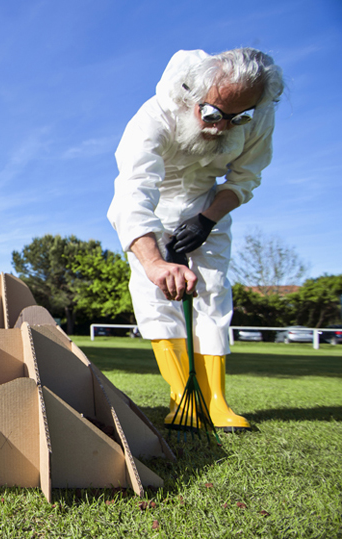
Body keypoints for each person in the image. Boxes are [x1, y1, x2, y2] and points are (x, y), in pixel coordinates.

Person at [107, 48, 284, 432]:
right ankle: (181, 397)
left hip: (208, 205)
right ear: (192, 95)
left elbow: (245, 179)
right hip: (155, 211)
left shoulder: (260, 115)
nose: (222, 128)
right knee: (155, 298)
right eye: (214, 114)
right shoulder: (153, 117)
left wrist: (206, 220)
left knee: (214, 292)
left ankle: (215, 401)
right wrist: (154, 262)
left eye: (239, 118)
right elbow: (132, 193)